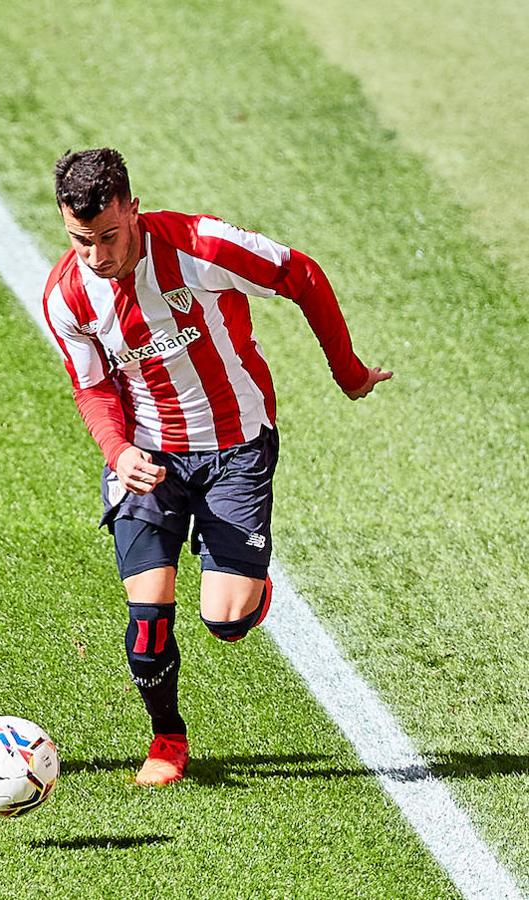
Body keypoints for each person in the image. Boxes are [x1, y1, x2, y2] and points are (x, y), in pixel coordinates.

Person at [40, 148, 391, 786]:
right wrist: (119, 453)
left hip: (237, 446)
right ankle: (167, 738)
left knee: (227, 622)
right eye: (80, 239)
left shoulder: (202, 246)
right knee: (147, 620)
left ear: (133, 210)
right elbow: (90, 388)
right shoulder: (68, 295)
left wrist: (348, 372)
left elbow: (300, 274)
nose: (97, 255)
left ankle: (241, 582)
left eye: (109, 237)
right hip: (150, 459)